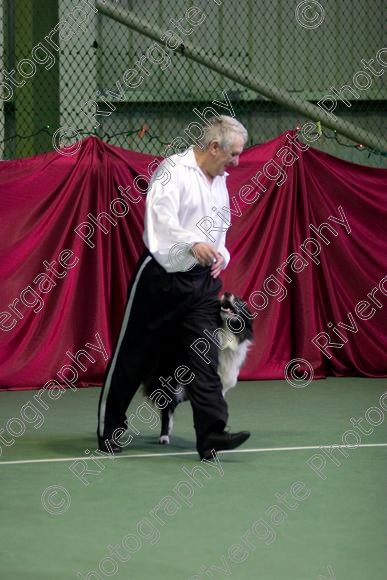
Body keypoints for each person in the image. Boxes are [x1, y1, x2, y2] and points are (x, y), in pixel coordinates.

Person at [97, 115, 251, 460]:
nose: (237, 161)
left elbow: (220, 229)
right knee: (133, 355)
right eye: (234, 154)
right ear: (214, 147)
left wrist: (221, 253)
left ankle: (211, 434)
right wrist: (191, 242)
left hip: (201, 283)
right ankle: (111, 428)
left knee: (204, 356)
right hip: (160, 278)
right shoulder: (173, 170)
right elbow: (160, 220)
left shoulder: (220, 180)